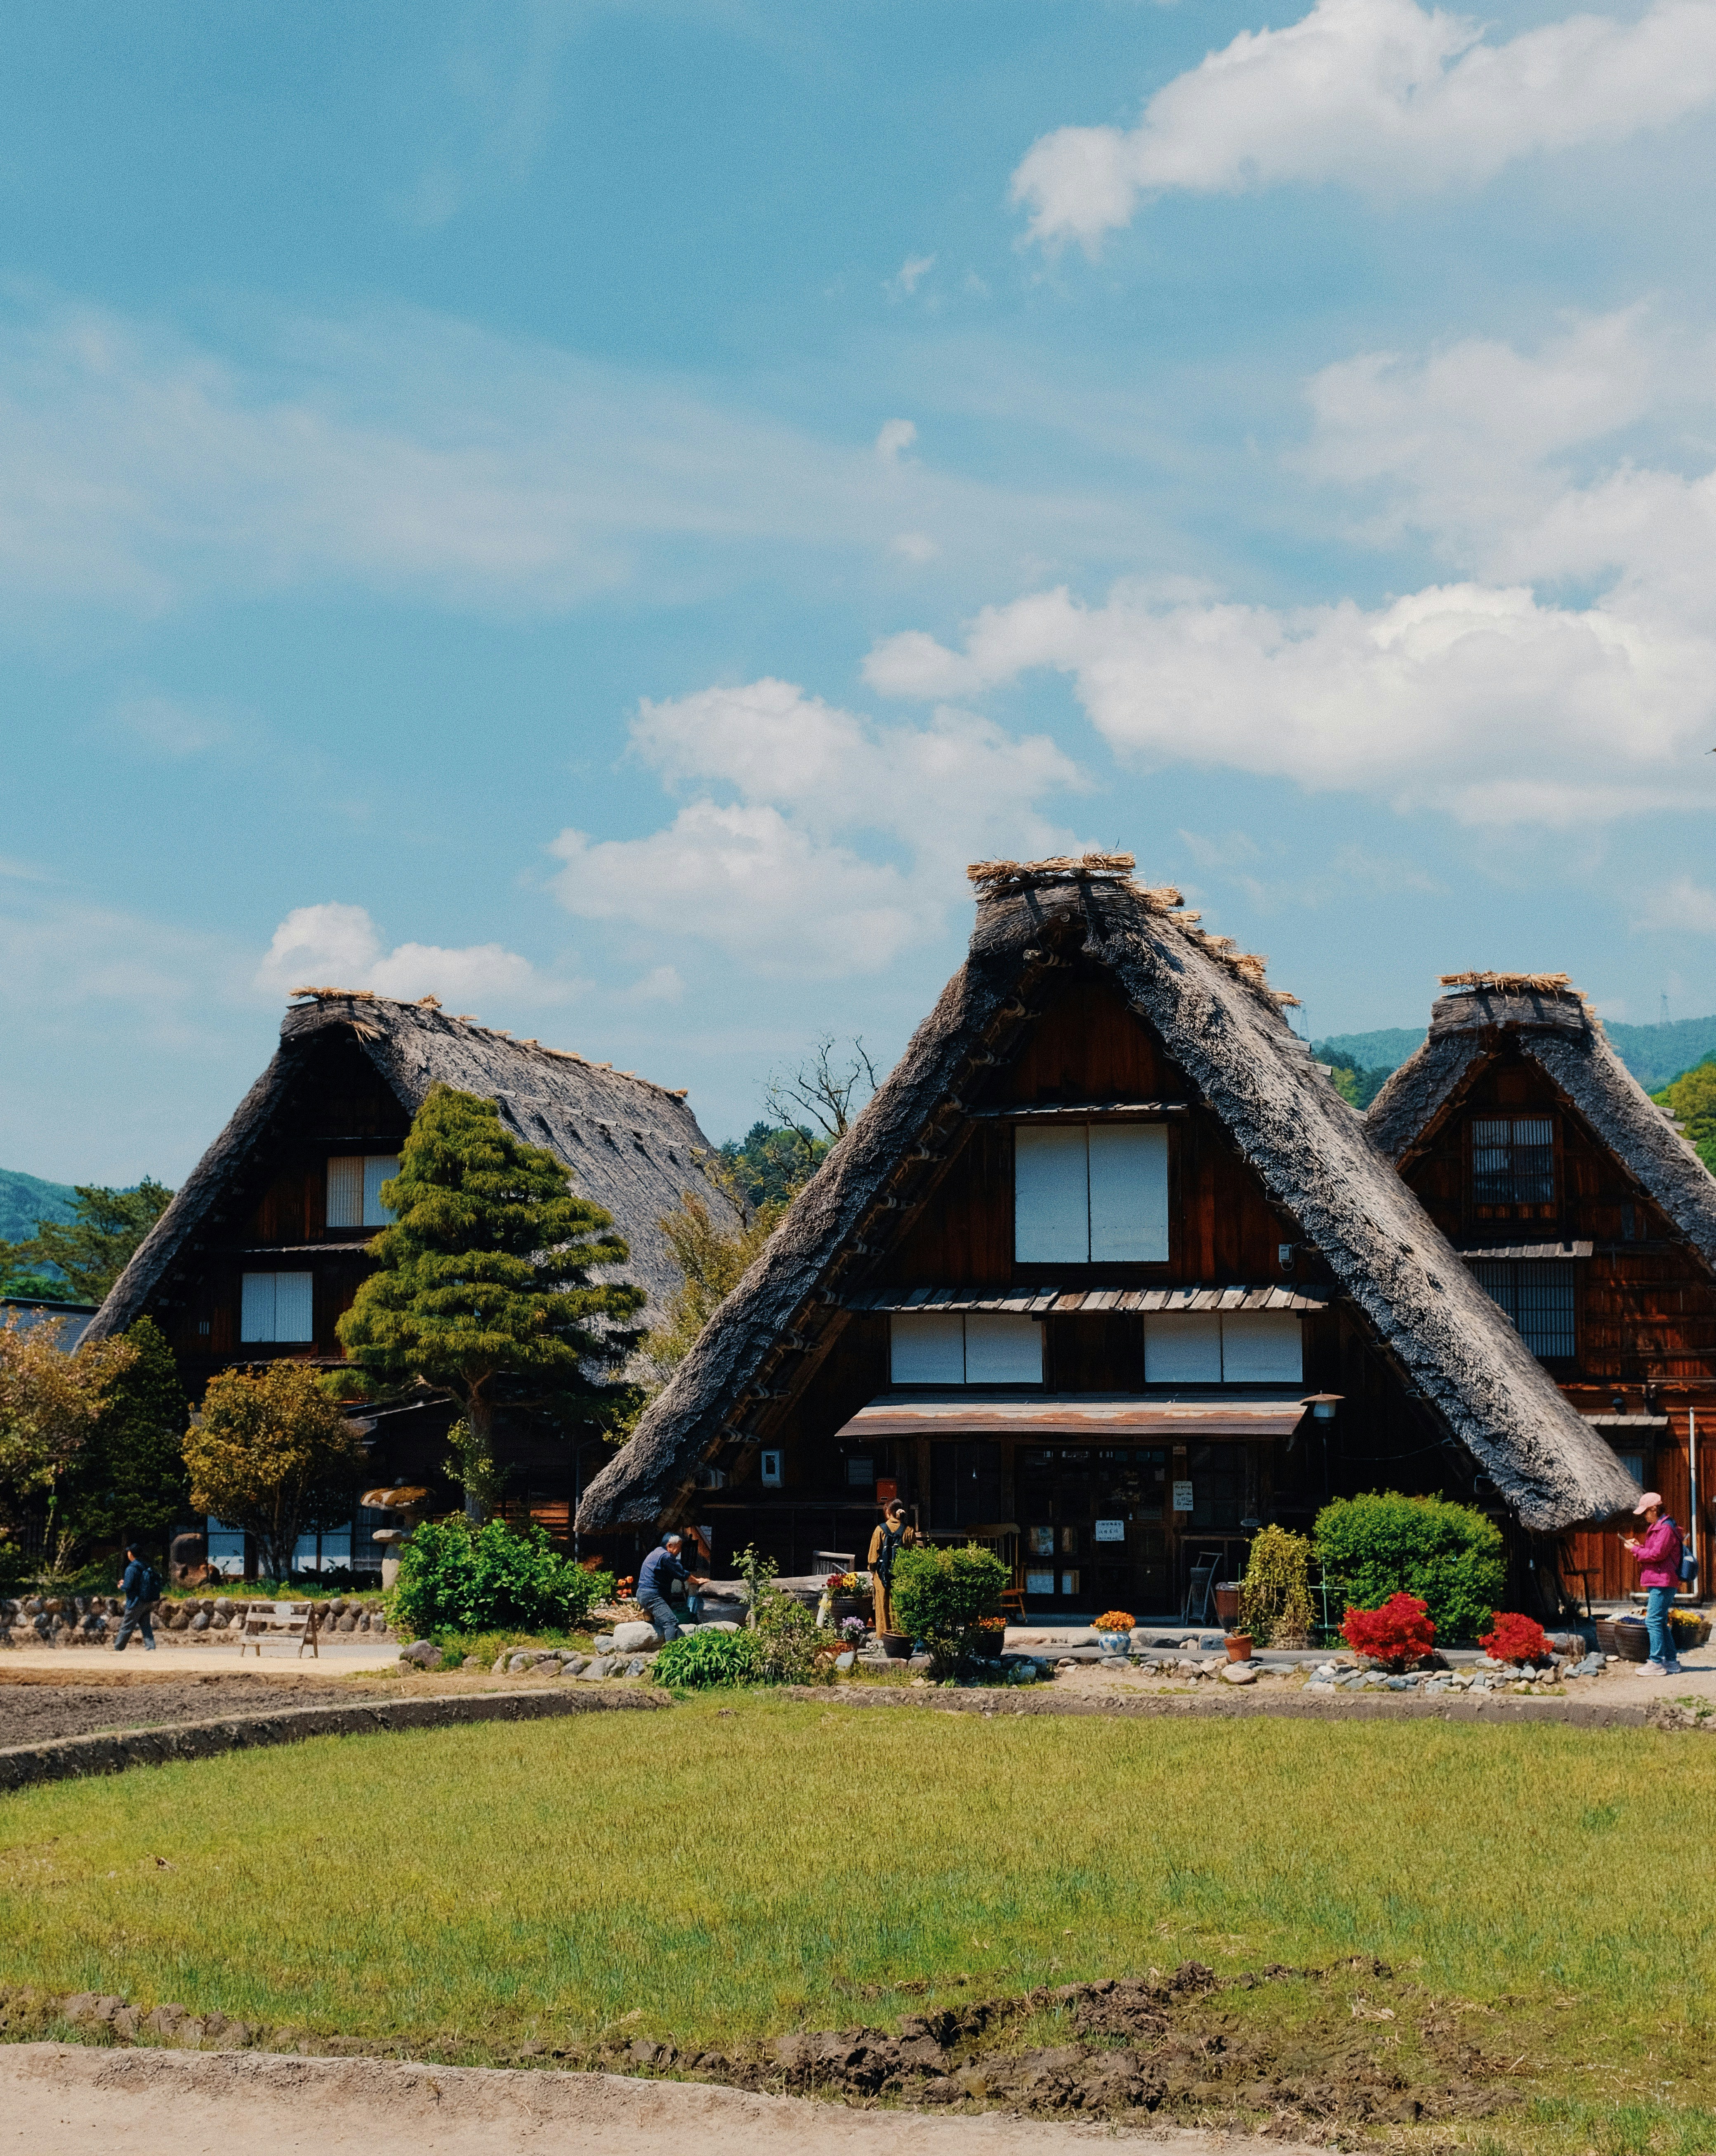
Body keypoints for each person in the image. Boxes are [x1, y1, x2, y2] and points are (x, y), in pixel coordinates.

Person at [1622, 1492, 1684, 1675]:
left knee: (1653, 1621)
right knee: (1660, 1621)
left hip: (1662, 1580)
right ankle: (1671, 1662)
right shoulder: (1662, 1527)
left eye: (1645, 1512)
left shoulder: (1665, 1529)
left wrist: (1635, 1550)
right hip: (1662, 1579)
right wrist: (1639, 1547)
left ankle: (1656, 1663)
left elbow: (1657, 1555)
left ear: (1654, 1509)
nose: (1644, 1516)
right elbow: (1656, 1553)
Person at [636, 1532, 707, 1642]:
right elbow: (682, 1574)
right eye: (679, 1547)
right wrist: (697, 1581)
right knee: (671, 1622)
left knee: (662, 1622)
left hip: (643, 1594)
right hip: (652, 1595)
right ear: (670, 1546)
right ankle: (671, 1650)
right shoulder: (666, 1556)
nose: (680, 1551)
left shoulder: (656, 1553)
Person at [867, 1499, 917, 1636]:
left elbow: (873, 1557)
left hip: (882, 1575)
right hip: (902, 1576)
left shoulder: (880, 1530)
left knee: (883, 1604)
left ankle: (883, 1635)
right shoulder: (909, 1530)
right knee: (900, 1604)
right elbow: (914, 1556)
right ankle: (900, 1634)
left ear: (888, 1512)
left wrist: (873, 1572)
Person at [112, 1543, 159, 1653]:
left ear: (131, 1554)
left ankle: (118, 1648)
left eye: (129, 1552)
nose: (128, 1553)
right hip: (147, 1601)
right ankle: (151, 1647)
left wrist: (121, 1586)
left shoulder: (131, 1568)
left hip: (135, 1602)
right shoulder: (145, 1565)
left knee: (127, 1626)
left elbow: (128, 1587)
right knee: (146, 1626)